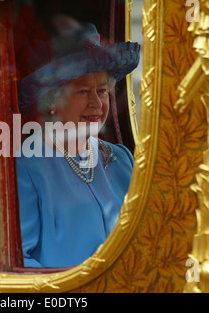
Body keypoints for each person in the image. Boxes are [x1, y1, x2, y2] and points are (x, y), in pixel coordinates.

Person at [16, 15, 140, 268]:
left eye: (102, 90)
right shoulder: (26, 167)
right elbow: (20, 262)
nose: (97, 103)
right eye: (83, 91)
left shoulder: (122, 159)